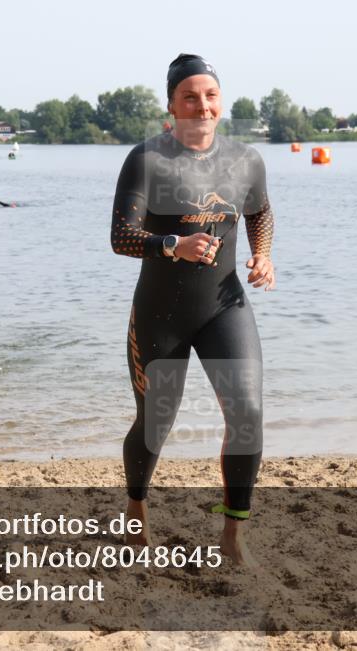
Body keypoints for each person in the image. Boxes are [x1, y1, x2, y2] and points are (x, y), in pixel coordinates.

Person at [111, 54, 276, 566]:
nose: (201, 106)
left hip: (224, 306)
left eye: (210, 95)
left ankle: (233, 533)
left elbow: (260, 211)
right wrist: (172, 245)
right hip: (161, 311)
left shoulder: (246, 159)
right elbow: (121, 236)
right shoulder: (147, 159)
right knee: (156, 422)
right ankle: (136, 506)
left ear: (220, 102)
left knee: (247, 414)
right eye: (189, 97)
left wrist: (263, 255)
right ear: (171, 106)